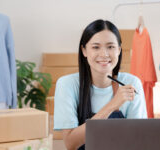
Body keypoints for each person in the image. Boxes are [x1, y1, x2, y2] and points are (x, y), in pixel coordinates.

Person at [53, 19, 147, 150]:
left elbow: (138, 140)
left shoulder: (132, 83)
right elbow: (71, 143)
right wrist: (113, 105)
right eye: (96, 47)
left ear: (119, 50)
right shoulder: (67, 84)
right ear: (84, 51)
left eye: (111, 47)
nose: (104, 54)